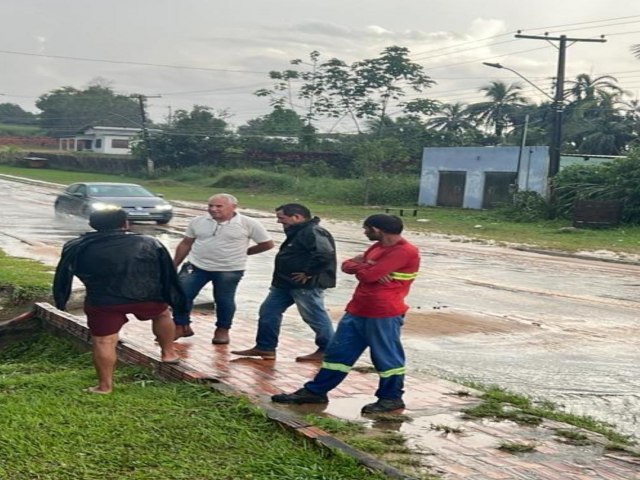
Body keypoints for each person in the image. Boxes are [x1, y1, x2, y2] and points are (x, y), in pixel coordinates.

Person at [271, 214, 420, 414]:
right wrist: (365, 266)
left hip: (383, 313)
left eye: (366, 229)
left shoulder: (405, 251)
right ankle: (315, 391)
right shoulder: (377, 248)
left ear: (377, 230)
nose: (365, 232)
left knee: (386, 358)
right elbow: (347, 266)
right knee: (337, 353)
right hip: (357, 310)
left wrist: (365, 267)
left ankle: (391, 398)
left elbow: (368, 276)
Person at [52, 208, 187, 394]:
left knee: (103, 342)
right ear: (125, 224)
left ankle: (104, 386)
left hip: (103, 301)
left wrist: (61, 301)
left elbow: (63, 275)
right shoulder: (149, 242)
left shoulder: (76, 246)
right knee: (163, 314)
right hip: (146, 296)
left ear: (92, 224)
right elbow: (166, 272)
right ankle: (168, 353)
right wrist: (171, 296)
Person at [231, 203, 337, 362]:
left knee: (314, 316)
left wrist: (308, 273)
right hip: (284, 283)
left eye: (282, 218)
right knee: (268, 311)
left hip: (304, 285)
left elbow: (325, 254)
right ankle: (265, 347)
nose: (279, 222)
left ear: (297, 217)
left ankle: (329, 350)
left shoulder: (313, 231)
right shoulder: (299, 231)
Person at [173, 193, 274, 344]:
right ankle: (181, 325)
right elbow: (186, 243)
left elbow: (267, 244)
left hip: (229, 269)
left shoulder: (248, 223)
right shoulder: (198, 221)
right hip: (196, 265)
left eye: (219, 206)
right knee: (181, 294)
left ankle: (222, 329)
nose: (213, 209)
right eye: (210, 206)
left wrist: (246, 252)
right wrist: (174, 264)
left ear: (233, 207)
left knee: (224, 300)